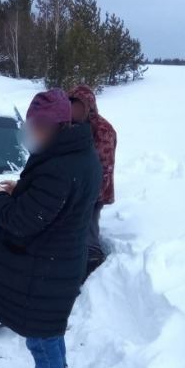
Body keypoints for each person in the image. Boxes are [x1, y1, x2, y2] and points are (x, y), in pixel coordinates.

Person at [0, 88, 101, 368]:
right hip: (59, 262)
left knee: (42, 340)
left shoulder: (59, 167)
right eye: (29, 126)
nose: (31, 134)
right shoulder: (76, 153)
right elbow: (56, 202)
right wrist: (19, 189)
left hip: (47, 269)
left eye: (37, 127)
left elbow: (23, 220)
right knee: (51, 333)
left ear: (55, 126)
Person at [67, 84, 117, 278]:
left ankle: (93, 272)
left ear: (89, 107)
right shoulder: (75, 126)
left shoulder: (102, 130)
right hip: (77, 189)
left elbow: (105, 168)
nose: (74, 110)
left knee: (89, 233)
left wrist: (91, 196)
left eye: (78, 106)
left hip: (94, 193)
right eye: (72, 106)